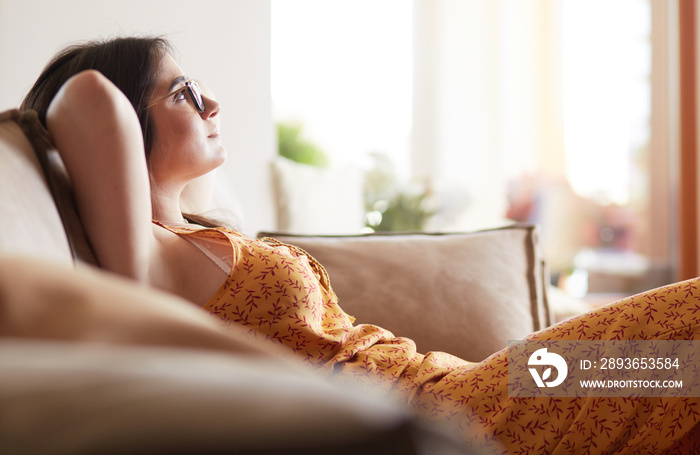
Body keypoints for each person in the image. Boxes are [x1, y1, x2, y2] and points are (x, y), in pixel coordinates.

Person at [21, 36, 699, 454]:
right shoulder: (147, 257)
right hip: (472, 414)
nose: (213, 104)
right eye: (184, 92)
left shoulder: (199, 231)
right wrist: (110, 76)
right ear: (131, 118)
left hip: (476, 388)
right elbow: (84, 96)